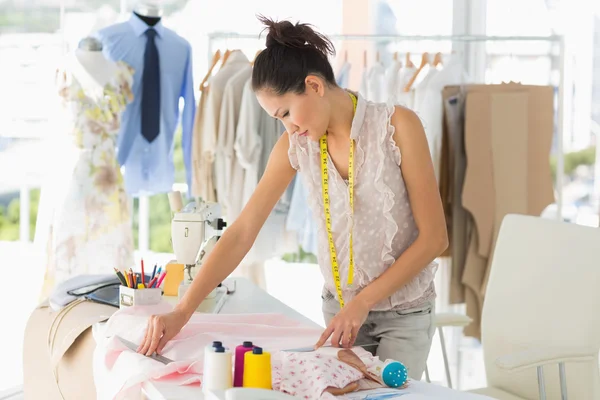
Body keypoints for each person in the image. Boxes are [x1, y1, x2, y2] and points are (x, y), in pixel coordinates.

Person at [138, 16, 447, 380]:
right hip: (340, 314)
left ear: (314, 86)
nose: (289, 128)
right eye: (277, 120)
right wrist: (182, 312)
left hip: (402, 315)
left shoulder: (398, 127)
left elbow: (434, 239)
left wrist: (364, 302)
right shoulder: (296, 145)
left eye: (286, 113)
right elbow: (242, 231)